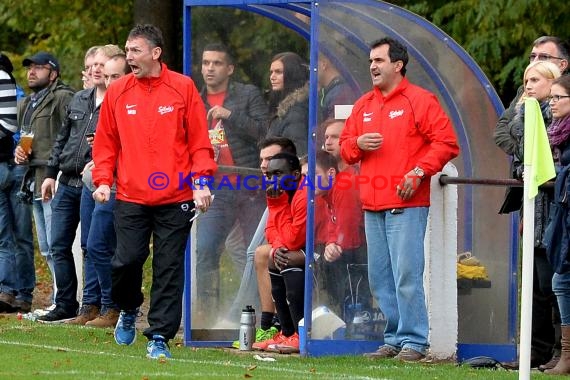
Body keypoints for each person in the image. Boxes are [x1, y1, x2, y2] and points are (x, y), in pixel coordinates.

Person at [92, 24, 216, 360]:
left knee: (169, 267)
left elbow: (199, 142)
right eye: (127, 50)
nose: (129, 57)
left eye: (135, 51)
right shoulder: (118, 92)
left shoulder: (183, 88)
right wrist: (103, 180)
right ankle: (129, 307)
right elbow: (106, 144)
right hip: (130, 195)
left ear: (155, 53)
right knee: (125, 261)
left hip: (175, 197)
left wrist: (201, 182)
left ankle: (159, 335)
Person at [340, 37, 459, 361]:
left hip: (407, 203)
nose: (373, 67)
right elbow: (346, 149)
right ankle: (393, 339)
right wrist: (358, 143)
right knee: (381, 278)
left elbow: (446, 142)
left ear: (398, 65)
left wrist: (418, 172)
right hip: (372, 205)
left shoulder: (420, 100)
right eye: (370, 62)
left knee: (407, 275)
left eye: (378, 61)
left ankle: (415, 342)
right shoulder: (364, 104)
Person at [494, 58, 564, 370]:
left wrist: (523, 116)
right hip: (535, 212)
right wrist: (523, 114)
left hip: (555, 212)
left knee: (555, 287)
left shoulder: (557, 118)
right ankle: (536, 353)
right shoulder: (530, 113)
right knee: (536, 288)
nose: (528, 86)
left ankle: (560, 353)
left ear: (554, 84)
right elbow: (507, 136)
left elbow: (529, 151)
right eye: (526, 80)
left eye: (536, 80)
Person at [195, 43, 269, 322]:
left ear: (229, 69)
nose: (210, 68)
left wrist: (231, 116)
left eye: (216, 63)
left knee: (254, 252)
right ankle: (207, 315)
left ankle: (256, 312)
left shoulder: (246, 94)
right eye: (205, 63)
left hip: (249, 184)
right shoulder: (196, 99)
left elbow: (266, 133)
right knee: (206, 249)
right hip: (216, 188)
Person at [14, 52, 74, 311]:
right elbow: (27, 137)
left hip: (56, 179)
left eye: (39, 68)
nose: (32, 72)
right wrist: (20, 151)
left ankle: (65, 300)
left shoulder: (63, 97)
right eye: (30, 68)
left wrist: (59, 168)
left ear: (54, 73)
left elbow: (72, 136)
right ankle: (58, 299)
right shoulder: (27, 103)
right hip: (34, 178)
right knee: (48, 247)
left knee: (58, 243)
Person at [226, 137, 297, 347]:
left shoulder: (300, 190)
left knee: (257, 253)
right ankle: (267, 323)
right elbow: (274, 230)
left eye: (271, 159)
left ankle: (249, 316)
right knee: (257, 252)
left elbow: (295, 236)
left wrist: (278, 245)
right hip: (284, 245)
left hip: (306, 251)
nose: (265, 165)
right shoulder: (275, 190)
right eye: (262, 160)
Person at [252, 152, 307, 353]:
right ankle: (287, 332)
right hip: (298, 247)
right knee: (275, 257)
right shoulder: (281, 193)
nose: (272, 180)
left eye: (278, 174)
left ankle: (301, 335)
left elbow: (294, 239)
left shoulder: (302, 195)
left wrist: (278, 206)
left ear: (294, 174)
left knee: (286, 259)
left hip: (323, 249)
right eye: (269, 175)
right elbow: (270, 231)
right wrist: (276, 247)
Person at [0, 53, 34, 313]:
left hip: (15, 169)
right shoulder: (22, 97)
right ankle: (15, 292)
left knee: (14, 234)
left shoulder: (22, 100)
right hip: (15, 167)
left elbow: (26, 132)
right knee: (16, 234)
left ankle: (15, 291)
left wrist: (20, 155)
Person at [544, 74, 570, 375]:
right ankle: (565, 356)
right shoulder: (557, 132)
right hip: (563, 214)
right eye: (551, 97)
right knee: (560, 281)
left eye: (558, 97)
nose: (552, 102)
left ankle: (565, 357)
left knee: (560, 281)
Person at [266, 52, 309, 156]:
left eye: (278, 72)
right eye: (271, 72)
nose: (272, 77)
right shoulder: (287, 105)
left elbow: (297, 150)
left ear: (292, 73)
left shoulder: (297, 109)